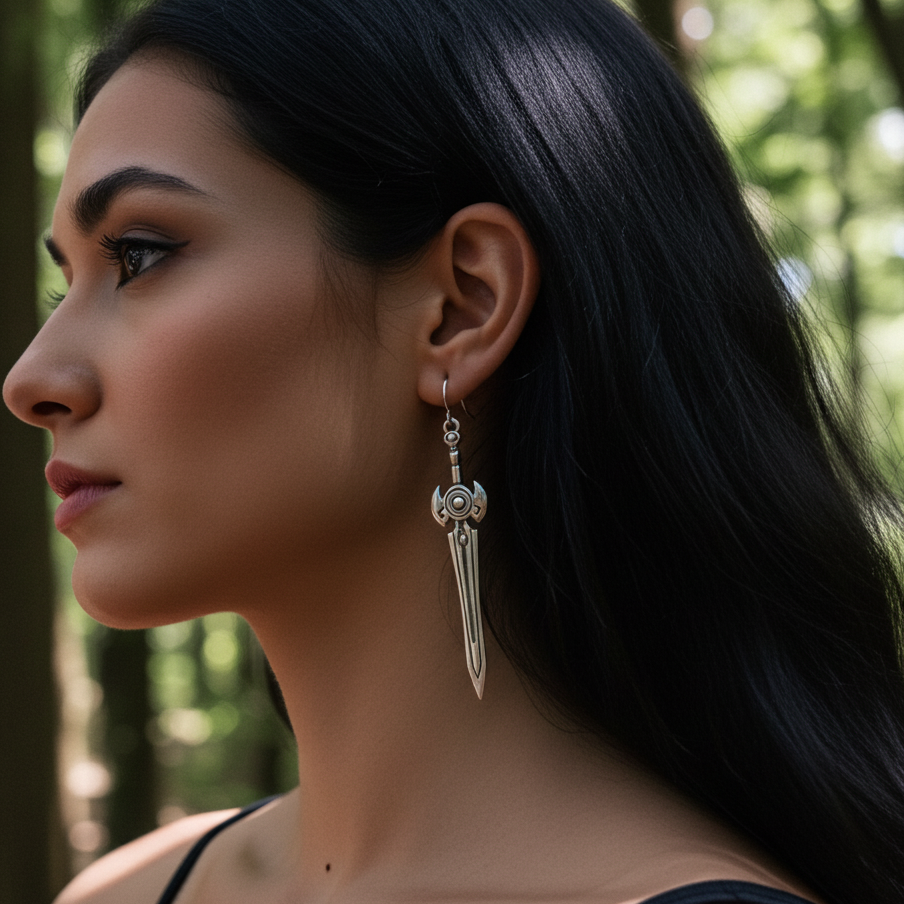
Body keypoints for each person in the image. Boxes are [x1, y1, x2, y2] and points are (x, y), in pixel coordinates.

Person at [4, 0, 904, 901]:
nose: (31, 379)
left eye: (140, 253)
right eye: (64, 280)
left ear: (462, 307)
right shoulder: (120, 890)